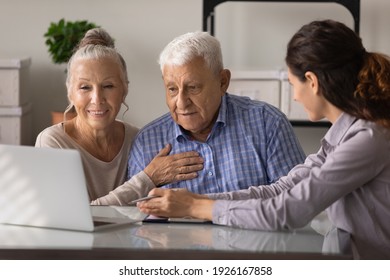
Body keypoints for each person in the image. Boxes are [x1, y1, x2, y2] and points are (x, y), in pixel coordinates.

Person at [137, 20, 390, 259]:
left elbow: (287, 210)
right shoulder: (342, 135)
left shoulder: (367, 139)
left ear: (311, 82)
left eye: (292, 85)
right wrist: (197, 201)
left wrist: (194, 208)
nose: (295, 98)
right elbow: (280, 189)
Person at [35, 28, 203, 205]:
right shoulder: (52, 143)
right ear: (70, 93)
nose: (97, 98)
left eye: (108, 86)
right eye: (85, 87)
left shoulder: (138, 140)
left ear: (124, 90)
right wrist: (148, 179)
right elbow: (75, 218)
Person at [127, 31, 305, 194]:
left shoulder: (268, 124)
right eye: (172, 89)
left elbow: (297, 201)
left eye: (193, 87)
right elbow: (133, 222)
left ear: (222, 82)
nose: (181, 103)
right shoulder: (147, 143)